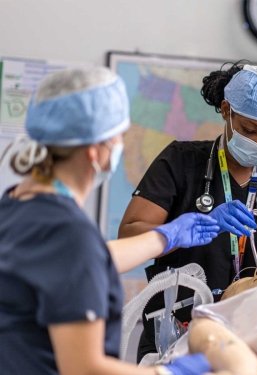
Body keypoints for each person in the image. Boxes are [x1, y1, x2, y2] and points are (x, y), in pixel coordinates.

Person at [0, 67, 222, 374]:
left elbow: (80, 261)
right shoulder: (69, 232)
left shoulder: (15, 202)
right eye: (119, 136)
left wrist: (165, 236)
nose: (121, 145)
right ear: (95, 153)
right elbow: (84, 368)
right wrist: (168, 372)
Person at [118, 61, 257, 360]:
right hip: (176, 328)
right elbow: (129, 235)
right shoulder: (180, 161)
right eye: (250, 130)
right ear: (226, 110)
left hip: (255, 336)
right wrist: (180, 231)